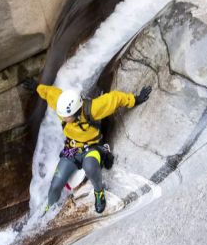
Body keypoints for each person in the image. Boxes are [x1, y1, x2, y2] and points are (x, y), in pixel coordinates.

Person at [23, 78, 152, 214]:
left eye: (67, 116)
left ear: (77, 112)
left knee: (90, 167)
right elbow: (50, 93)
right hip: (72, 149)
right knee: (55, 185)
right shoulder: (62, 105)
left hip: (92, 147)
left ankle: (99, 192)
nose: (62, 118)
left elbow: (115, 98)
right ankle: (48, 210)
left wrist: (135, 99)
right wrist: (37, 87)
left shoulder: (93, 109)